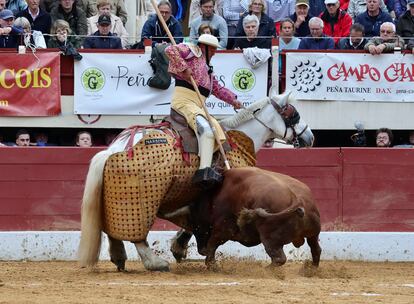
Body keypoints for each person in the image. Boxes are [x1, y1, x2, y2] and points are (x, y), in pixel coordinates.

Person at [165, 34, 242, 187]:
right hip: (183, 102)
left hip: (198, 105)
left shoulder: (208, 71)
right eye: (212, 49)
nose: (214, 52)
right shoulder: (191, 51)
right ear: (204, 47)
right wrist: (184, 67)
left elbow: (218, 90)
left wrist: (233, 100)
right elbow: (170, 49)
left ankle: (210, 164)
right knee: (207, 130)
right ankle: (203, 172)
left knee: (216, 129)